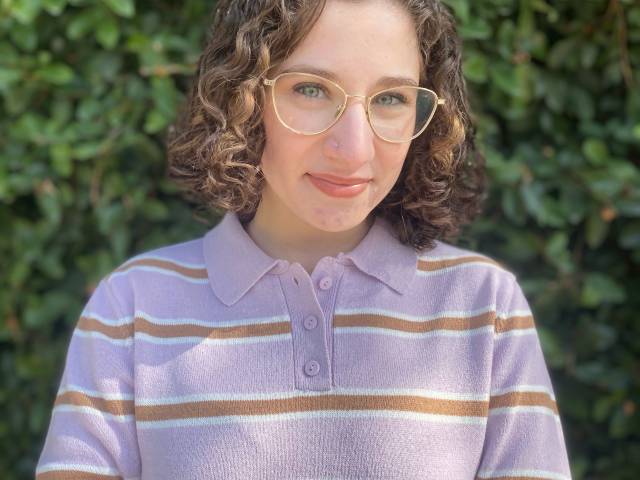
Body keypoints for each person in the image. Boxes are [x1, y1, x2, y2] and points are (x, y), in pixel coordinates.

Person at [36, 0, 572, 479]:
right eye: (311, 90)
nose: (354, 148)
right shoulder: (131, 308)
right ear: (242, 98)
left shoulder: (485, 306)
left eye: (391, 98)